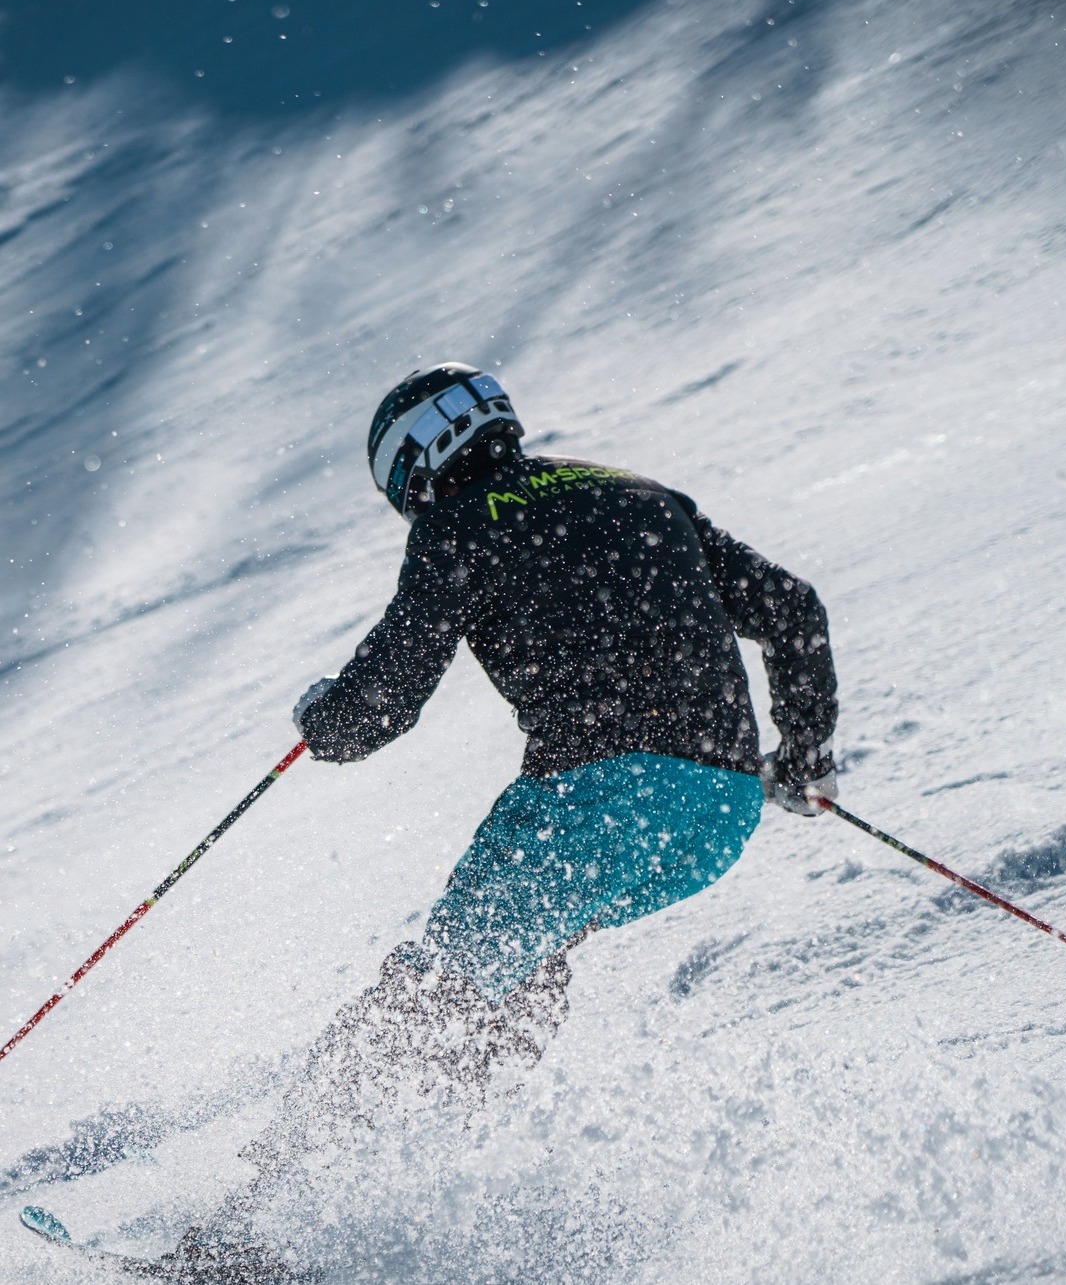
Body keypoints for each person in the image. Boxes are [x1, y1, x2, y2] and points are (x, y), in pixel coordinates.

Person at [167, 361, 839, 1277]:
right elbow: (794, 609)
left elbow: (389, 693)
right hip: (715, 813)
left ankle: (261, 1224)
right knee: (519, 965)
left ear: (415, 463)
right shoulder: (639, 491)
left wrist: (327, 721)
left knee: (432, 991)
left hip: (596, 801)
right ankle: (432, 1193)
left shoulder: (459, 521)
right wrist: (800, 756)